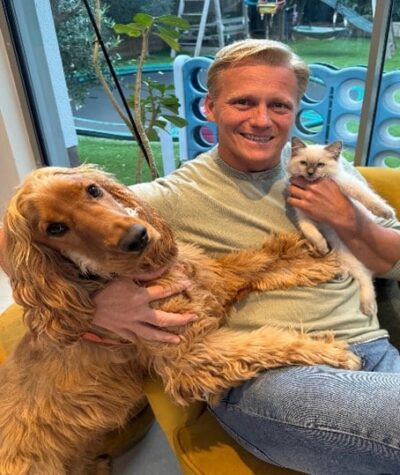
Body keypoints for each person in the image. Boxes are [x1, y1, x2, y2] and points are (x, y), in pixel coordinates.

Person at [4, 39, 400, 473]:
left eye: (279, 105)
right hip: (270, 381)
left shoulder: (326, 165)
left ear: (295, 110)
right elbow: (17, 236)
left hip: (374, 349)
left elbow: (392, 262)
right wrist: (90, 307)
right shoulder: (174, 196)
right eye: (243, 102)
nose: (262, 120)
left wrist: (350, 219)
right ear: (210, 107)